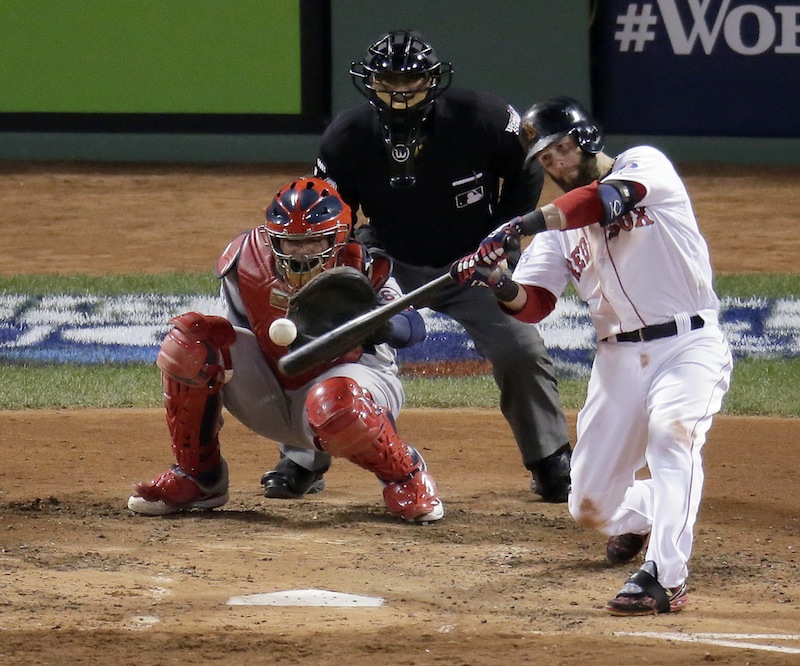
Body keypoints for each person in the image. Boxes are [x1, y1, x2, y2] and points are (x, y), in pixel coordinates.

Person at [451, 96, 732, 615]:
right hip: (618, 363)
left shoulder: (644, 165)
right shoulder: (558, 236)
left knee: (674, 435)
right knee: (589, 506)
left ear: (586, 139)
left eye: (560, 148)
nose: (556, 163)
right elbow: (532, 305)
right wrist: (495, 280)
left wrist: (518, 226)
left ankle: (666, 576)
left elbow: (603, 201)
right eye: (544, 158)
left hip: (688, 344)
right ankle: (651, 511)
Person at [308, 28, 572, 502]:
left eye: (411, 82)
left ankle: (551, 459)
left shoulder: (484, 118)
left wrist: (504, 237)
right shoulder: (347, 137)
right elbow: (333, 215)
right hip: (389, 259)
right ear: (370, 83)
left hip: (472, 261)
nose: (401, 92)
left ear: (433, 80)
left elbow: (527, 169)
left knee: (521, 349)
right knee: (329, 337)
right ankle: (303, 459)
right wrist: (346, 276)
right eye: (389, 81)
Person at [128, 176, 444, 524]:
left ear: (337, 239)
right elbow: (225, 340)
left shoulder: (364, 266)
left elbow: (414, 329)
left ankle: (406, 476)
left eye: (313, 242)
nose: (301, 253)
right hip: (272, 389)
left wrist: (380, 323)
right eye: (291, 243)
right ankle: (199, 478)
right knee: (189, 342)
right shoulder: (245, 262)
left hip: (354, 387)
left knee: (334, 399)